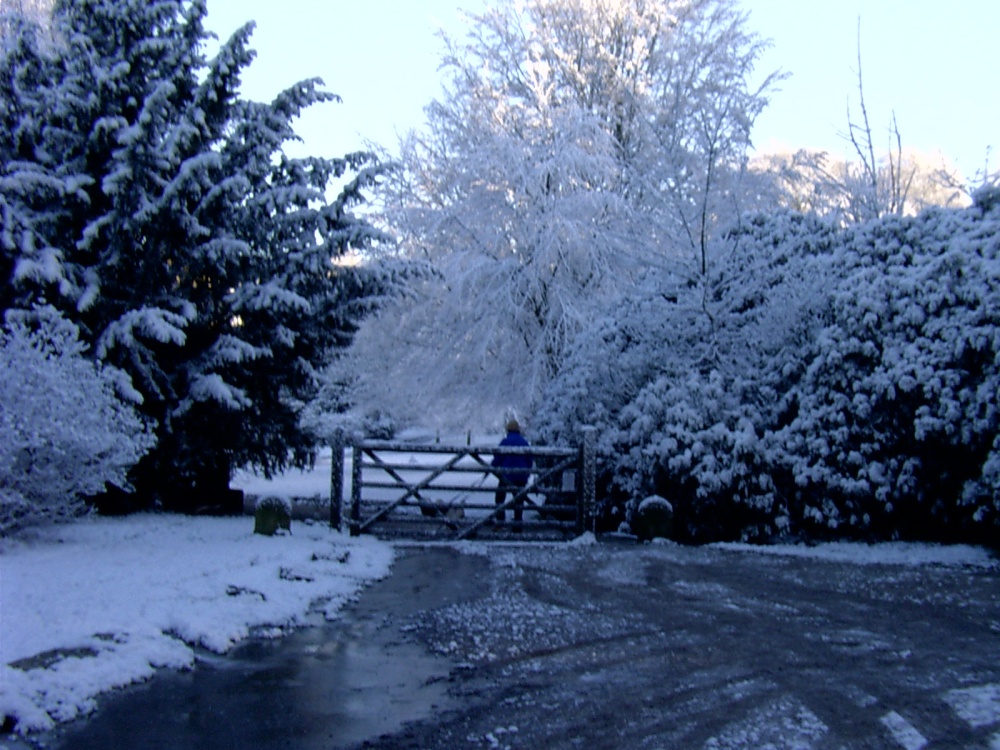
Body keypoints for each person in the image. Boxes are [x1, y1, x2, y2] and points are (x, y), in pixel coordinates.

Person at [492, 419, 533, 531]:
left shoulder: (505, 442)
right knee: (519, 499)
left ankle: (500, 521)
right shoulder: (524, 442)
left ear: (508, 430)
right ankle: (517, 523)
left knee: (500, 496)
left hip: (507, 475)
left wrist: (492, 467)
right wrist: (527, 473)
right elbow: (529, 460)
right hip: (521, 475)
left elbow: (497, 458)